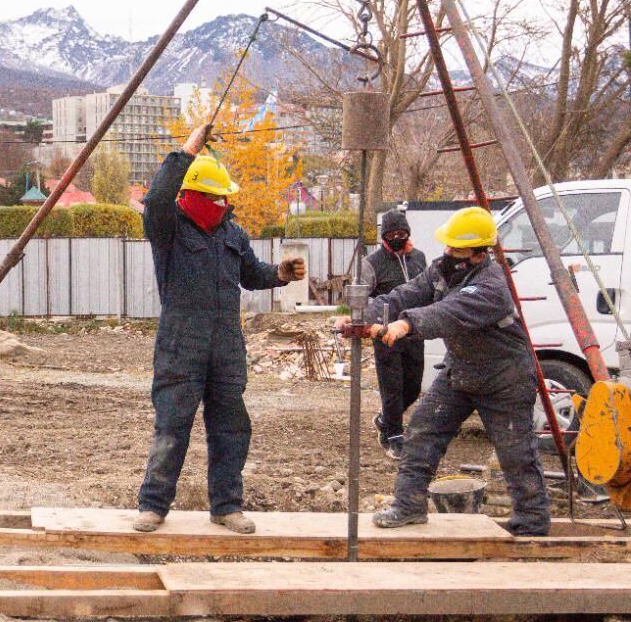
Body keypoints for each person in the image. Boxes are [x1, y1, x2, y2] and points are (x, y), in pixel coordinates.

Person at [134, 125, 306, 534]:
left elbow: (251, 273)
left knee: (231, 426)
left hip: (227, 343)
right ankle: (153, 505)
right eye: (215, 196)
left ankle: (226, 505)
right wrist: (187, 150)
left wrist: (278, 274)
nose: (223, 202)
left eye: (224, 196)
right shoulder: (169, 228)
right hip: (182, 343)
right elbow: (157, 197)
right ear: (192, 195)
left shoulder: (232, 232)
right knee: (172, 425)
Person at [340, 206, 549, 536]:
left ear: (479, 254)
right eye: (448, 246)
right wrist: (362, 316)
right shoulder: (442, 269)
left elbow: (448, 312)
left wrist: (407, 324)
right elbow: (406, 294)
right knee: (423, 430)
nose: (448, 254)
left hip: (504, 378)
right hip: (461, 371)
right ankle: (409, 506)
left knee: (515, 453)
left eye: (457, 249)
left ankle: (532, 525)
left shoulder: (491, 286)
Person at [360, 208, 427, 460]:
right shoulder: (372, 263)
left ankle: (384, 420)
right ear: (384, 236)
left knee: (413, 386)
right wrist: (370, 323)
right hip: (385, 333)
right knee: (392, 388)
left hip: (413, 331)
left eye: (402, 233)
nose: (397, 238)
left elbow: (429, 287)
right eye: (392, 234)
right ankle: (394, 437)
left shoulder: (419, 258)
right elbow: (361, 299)